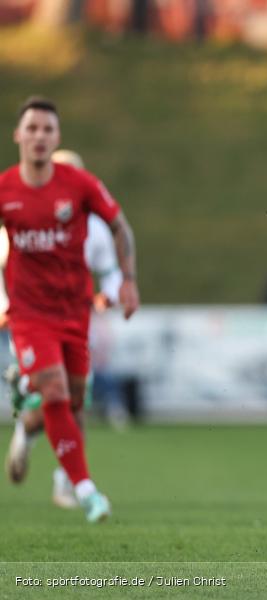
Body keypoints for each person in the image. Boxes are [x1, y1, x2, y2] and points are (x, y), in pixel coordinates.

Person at [0, 97, 140, 522]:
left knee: (73, 402)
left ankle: (26, 417)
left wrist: (125, 284)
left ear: (56, 137)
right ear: (19, 135)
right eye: (33, 128)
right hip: (28, 314)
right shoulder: (5, 189)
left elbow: (118, 231)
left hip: (74, 313)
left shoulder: (80, 188)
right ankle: (84, 489)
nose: (39, 136)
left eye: (48, 129)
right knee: (57, 391)